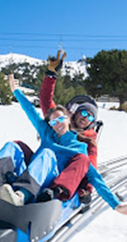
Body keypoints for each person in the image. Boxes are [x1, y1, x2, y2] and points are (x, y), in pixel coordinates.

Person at [0, 74, 127, 217]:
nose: (57, 123)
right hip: (33, 171)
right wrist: (16, 92)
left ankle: (21, 196)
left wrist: (115, 204)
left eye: (60, 119)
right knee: (14, 145)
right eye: (53, 122)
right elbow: (31, 111)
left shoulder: (80, 147)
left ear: (67, 118)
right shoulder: (47, 133)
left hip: (50, 182)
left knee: (47, 154)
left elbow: (94, 177)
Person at [38, 50, 99, 202]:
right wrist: (51, 75)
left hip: (68, 176)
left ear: (92, 122)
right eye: (83, 113)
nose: (85, 118)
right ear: (75, 113)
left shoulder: (89, 140)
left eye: (90, 117)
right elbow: (46, 102)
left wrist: (88, 189)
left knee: (81, 160)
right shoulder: (63, 124)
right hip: (49, 165)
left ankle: (55, 192)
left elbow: (91, 163)